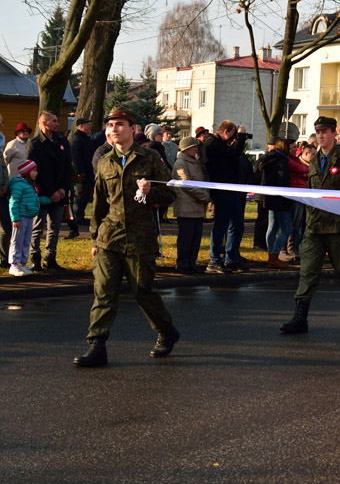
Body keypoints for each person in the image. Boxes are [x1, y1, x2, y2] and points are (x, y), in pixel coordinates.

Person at [74, 108, 179, 368]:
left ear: (133, 128)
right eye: (110, 125)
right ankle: (97, 345)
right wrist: (94, 240)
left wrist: (151, 190)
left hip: (140, 236)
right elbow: (99, 203)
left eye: (119, 124)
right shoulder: (104, 161)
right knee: (104, 292)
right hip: (109, 237)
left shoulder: (151, 158)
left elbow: (171, 195)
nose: (113, 130)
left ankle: (167, 331)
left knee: (142, 290)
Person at [280, 116, 340, 334]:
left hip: (338, 228)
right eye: (317, 132)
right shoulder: (312, 159)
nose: (320, 136)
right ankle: (300, 318)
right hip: (314, 226)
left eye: (325, 132)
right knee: (308, 272)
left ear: (333, 134)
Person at [26, 110, 71, 272]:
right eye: (54, 121)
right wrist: (51, 191)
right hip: (43, 193)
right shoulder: (35, 144)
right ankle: (35, 258)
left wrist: (63, 189)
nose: (58, 124)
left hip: (60, 193)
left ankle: (50, 258)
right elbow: (34, 171)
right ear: (44, 124)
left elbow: (67, 166)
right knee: (37, 227)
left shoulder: (61, 141)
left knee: (55, 228)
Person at [203, 121, 248, 273]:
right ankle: (214, 259)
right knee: (221, 225)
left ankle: (231, 257)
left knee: (237, 224)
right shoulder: (213, 144)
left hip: (231, 188)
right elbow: (232, 154)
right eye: (233, 135)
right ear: (227, 132)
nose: (233, 139)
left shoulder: (220, 144)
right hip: (221, 190)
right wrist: (240, 138)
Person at [172, 137, 209, 274]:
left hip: (197, 207)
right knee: (186, 238)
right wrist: (204, 196)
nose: (196, 149)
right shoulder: (180, 163)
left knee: (196, 237)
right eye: (193, 147)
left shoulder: (196, 162)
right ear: (186, 148)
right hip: (186, 207)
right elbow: (186, 184)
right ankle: (182, 263)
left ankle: (191, 262)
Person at [8, 160, 51, 276]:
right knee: (17, 240)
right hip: (20, 218)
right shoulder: (19, 185)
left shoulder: (30, 186)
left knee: (26, 240)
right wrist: (15, 219)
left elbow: (35, 200)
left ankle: (22, 263)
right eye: (34, 170)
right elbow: (13, 202)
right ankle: (14, 264)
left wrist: (50, 200)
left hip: (28, 217)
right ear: (27, 172)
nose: (36, 173)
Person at [257, 138, 292, 269]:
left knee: (272, 228)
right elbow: (282, 181)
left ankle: (271, 256)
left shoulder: (268, 159)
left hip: (270, 198)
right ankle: (274, 255)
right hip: (280, 199)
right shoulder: (281, 161)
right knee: (287, 228)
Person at [284, 142, 314, 261]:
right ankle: (287, 249)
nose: (295, 150)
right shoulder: (292, 161)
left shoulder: (297, 161)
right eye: (313, 154)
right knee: (293, 224)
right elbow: (300, 169)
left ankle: (294, 249)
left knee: (299, 225)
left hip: (303, 195)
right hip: (295, 195)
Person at [69, 117, 94, 227]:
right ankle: (77, 217)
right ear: (82, 126)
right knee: (80, 195)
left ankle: (80, 216)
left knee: (85, 195)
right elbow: (75, 156)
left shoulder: (85, 138)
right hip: (81, 174)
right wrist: (80, 171)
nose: (90, 127)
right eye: (88, 125)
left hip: (88, 172)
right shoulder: (76, 139)